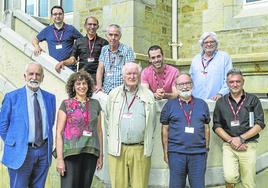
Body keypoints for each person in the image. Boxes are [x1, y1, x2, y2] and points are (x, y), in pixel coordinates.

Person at [0, 62, 56, 188]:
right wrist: (15, 143)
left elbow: (50, 123)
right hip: (20, 153)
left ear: (42, 77)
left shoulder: (50, 98)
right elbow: (2, 126)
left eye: (38, 74)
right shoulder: (11, 97)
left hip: (43, 152)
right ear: (24, 76)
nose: (34, 77)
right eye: (31, 74)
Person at [105, 63, 156, 188]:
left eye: (135, 73)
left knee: (140, 185)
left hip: (140, 149)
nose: (132, 76)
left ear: (139, 75)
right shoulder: (114, 94)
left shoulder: (148, 95)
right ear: (123, 76)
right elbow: (107, 119)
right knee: (118, 185)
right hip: (118, 149)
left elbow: (152, 122)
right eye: (129, 73)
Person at [213, 68, 265, 188]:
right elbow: (217, 125)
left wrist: (241, 139)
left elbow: (260, 124)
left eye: (238, 81)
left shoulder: (253, 100)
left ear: (243, 81)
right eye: (231, 82)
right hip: (229, 145)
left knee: (249, 183)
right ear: (227, 83)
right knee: (229, 177)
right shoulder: (221, 102)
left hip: (248, 144)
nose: (235, 84)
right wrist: (232, 140)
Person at [160, 73, 210, 188]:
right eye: (181, 84)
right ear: (176, 87)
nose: (184, 87)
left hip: (198, 154)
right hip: (176, 154)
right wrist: (165, 152)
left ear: (192, 85)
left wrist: (206, 149)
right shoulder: (169, 105)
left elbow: (206, 128)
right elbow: (164, 130)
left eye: (187, 83)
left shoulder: (202, 104)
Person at [55, 70, 103, 188]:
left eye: (84, 83)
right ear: (73, 87)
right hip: (71, 153)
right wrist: (60, 159)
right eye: (78, 84)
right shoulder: (66, 104)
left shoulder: (95, 104)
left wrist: (100, 155)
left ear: (89, 85)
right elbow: (59, 133)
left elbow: (99, 131)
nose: (82, 86)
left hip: (90, 153)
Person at [55, 16, 108, 81]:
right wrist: (63, 62)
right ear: (85, 26)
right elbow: (73, 59)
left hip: (98, 77)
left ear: (97, 26)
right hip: (83, 77)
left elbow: (107, 62)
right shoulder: (79, 41)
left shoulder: (104, 42)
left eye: (94, 24)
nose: (92, 27)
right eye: (89, 24)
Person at [32, 5, 83, 72]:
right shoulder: (47, 30)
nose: (58, 16)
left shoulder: (71, 29)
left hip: (69, 67)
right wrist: (36, 46)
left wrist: (76, 54)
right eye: (55, 14)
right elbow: (35, 39)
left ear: (63, 15)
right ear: (52, 16)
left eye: (60, 14)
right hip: (54, 66)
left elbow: (83, 41)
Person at [190, 31, 233, 101]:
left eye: (212, 42)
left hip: (217, 100)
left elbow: (229, 78)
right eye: (206, 42)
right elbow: (191, 79)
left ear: (216, 43)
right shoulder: (195, 59)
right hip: (197, 100)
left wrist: (221, 94)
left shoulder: (224, 57)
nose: (209, 44)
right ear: (202, 44)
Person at [95, 24, 135, 94]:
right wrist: (99, 85)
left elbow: (130, 71)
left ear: (120, 36)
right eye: (110, 35)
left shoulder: (127, 50)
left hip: (121, 91)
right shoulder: (104, 49)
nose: (113, 38)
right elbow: (100, 69)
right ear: (106, 35)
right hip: (106, 90)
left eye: (116, 35)